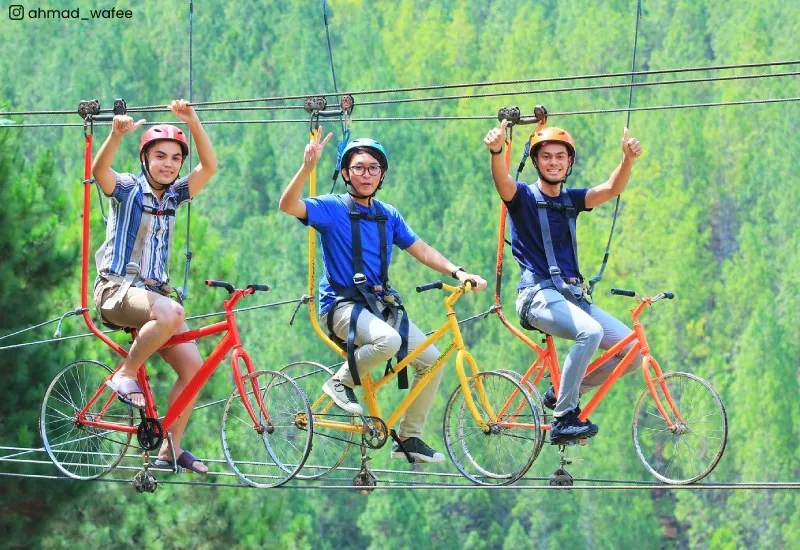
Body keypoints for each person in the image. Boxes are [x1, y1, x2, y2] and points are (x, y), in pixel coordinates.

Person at [279, 130, 487, 463]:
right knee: (388, 341)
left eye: (373, 168)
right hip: (341, 306)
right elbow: (288, 205)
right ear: (346, 173)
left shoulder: (388, 215)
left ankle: (409, 437)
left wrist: (457, 271)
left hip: (379, 306)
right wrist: (307, 168)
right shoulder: (333, 208)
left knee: (431, 360)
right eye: (359, 168)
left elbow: (420, 249)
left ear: (382, 175)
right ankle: (339, 382)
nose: (366, 174)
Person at [484, 120, 643, 444]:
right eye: (546, 157)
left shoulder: (570, 200)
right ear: (536, 161)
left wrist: (627, 159)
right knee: (591, 332)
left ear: (569, 162)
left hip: (572, 297)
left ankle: (561, 392)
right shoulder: (523, 197)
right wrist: (497, 150)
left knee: (632, 352)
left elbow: (611, 189)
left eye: (560, 157)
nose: (554, 162)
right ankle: (564, 418)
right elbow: (503, 182)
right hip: (537, 295)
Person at [92, 100, 217, 473]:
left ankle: (171, 448)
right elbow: (99, 171)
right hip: (116, 291)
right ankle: (125, 374)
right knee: (172, 310)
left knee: (195, 367)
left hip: (152, 298)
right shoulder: (129, 189)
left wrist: (193, 122)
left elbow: (209, 167)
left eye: (175, 158)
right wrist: (115, 135)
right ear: (145, 159)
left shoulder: (175, 196)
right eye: (160, 156)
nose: (168, 164)